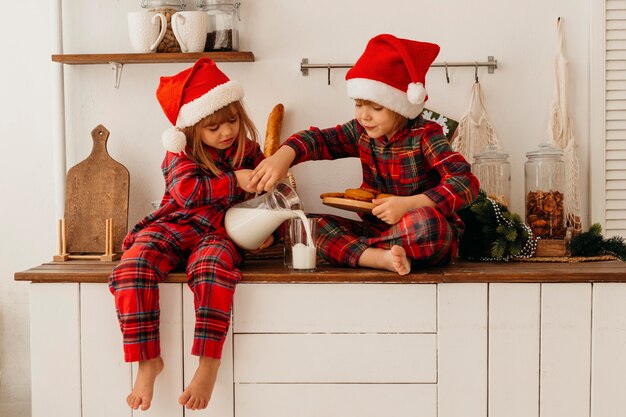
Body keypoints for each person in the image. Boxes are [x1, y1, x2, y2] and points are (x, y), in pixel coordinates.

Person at [108, 58, 267, 411]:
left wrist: (273, 227)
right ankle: (147, 360)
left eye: (232, 120)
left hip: (220, 231)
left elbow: (272, 194)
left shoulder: (249, 150)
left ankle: (208, 363)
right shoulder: (179, 149)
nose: (226, 131)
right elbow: (188, 193)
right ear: (192, 129)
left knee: (213, 269)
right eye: (213, 127)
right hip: (174, 225)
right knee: (132, 267)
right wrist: (233, 181)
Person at [249, 34, 480, 275]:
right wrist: (283, 156)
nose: (364, 116)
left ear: (400, 106)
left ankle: (358, 253)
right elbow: (318, 139)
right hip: (376, 232)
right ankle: (378, 257)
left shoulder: (426, 135)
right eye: (359, 104)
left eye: (376, 107)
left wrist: (410, 204)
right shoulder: (361, 132)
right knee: (300, 225)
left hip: (419, 234)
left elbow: (465, 183)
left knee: (428, 226)